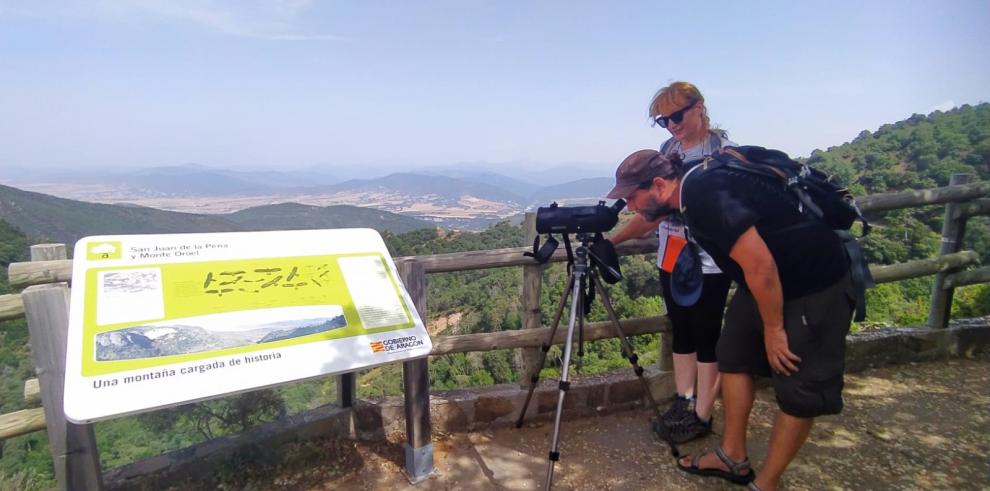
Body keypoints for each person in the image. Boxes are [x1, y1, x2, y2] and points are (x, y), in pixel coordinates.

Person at [606, 149, 855, 491]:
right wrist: (610, 240)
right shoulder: (688, 184)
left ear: (660, 185)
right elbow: (649, 218)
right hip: (763, 285)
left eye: (632, 197)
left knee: (798, 382)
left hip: (812, 283)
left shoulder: (708, 197)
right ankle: (732, 457)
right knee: (733, 355)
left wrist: (774, 329)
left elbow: (761, 266)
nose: (630, 206)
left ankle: (766, 483)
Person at [608, 82, 732, 443]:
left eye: (676, 115)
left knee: (707, 333)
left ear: (699, 107)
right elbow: (653, 210)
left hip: (710, 260)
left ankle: (703, 414)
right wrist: (613, 239)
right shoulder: (667, 150)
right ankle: (684, 399)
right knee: (682, 329)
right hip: (672, 254)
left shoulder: (723, 152)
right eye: (664, 120)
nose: (672, 125)